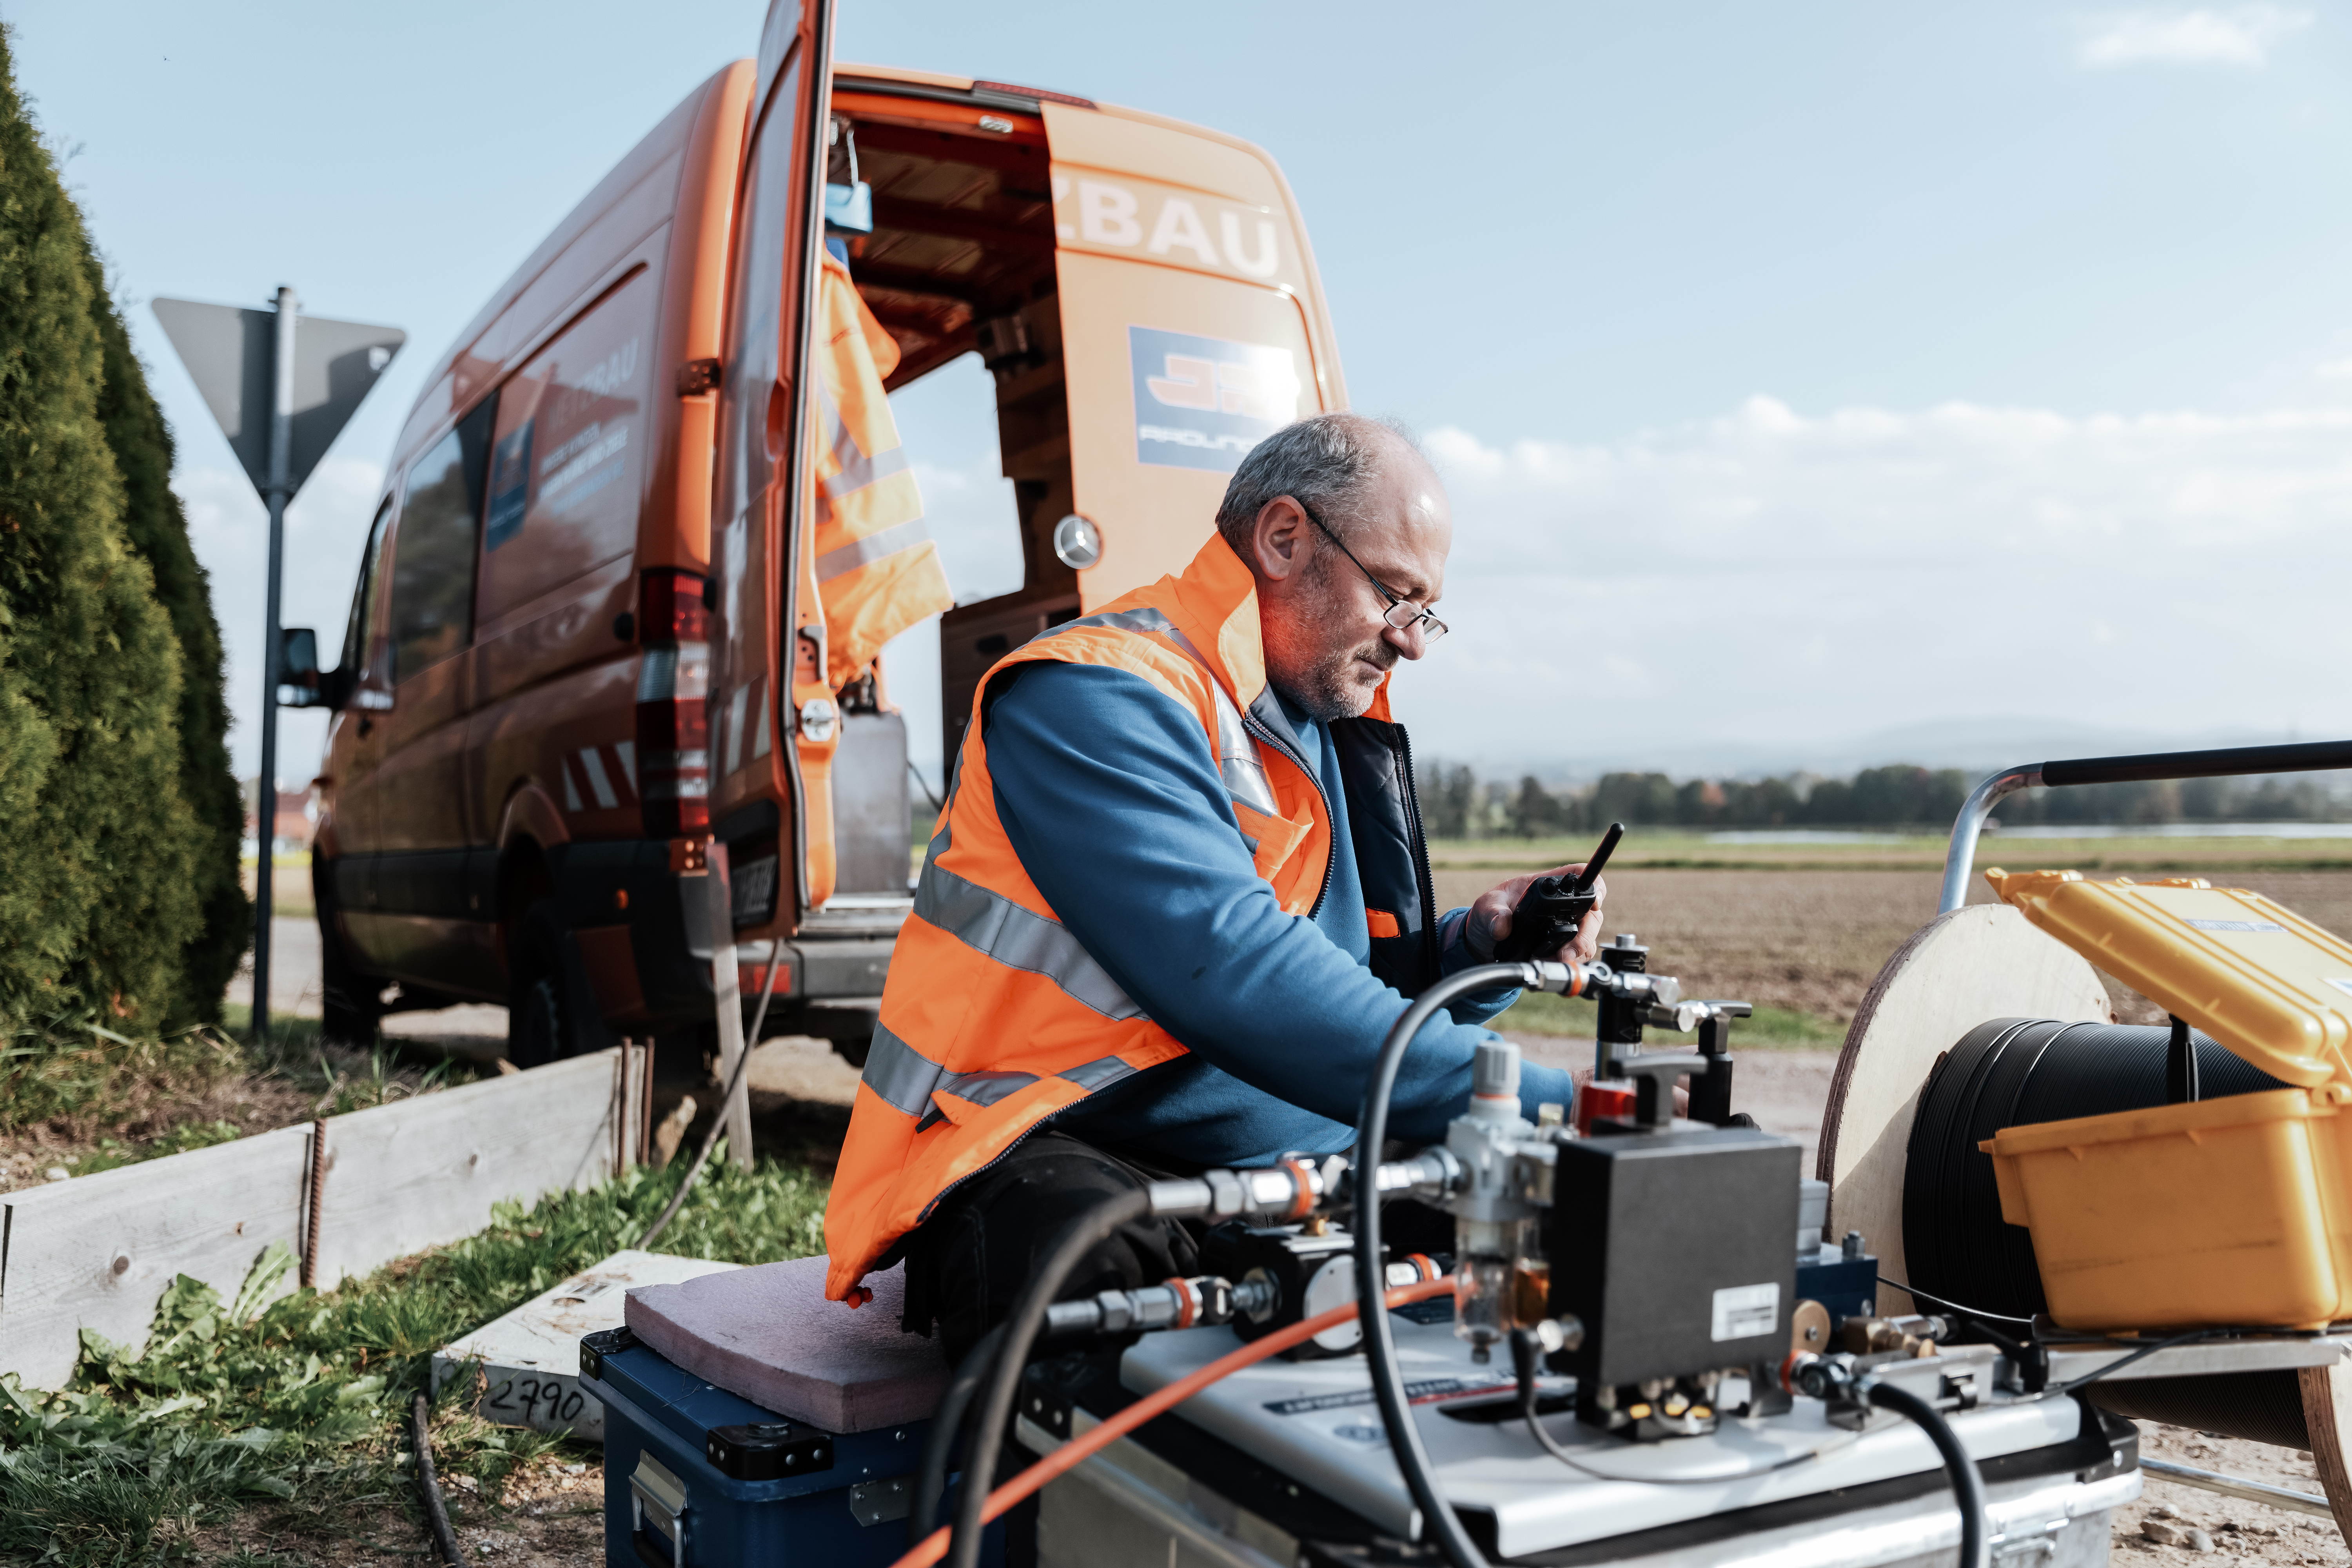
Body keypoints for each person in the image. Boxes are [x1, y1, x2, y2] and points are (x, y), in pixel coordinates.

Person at [821, 413, 1607, 1357]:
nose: (1413, 643)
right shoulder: (1093, 693)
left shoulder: (1309, 720)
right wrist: (1544, 1098)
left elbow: (1345, 974)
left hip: (1292, 1161)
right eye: (1397, 595)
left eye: (1424, 610)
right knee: (1068, 1263)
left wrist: (1477, 949)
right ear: (1283, 538)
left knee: (1555, 1234)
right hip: (1071, 1145)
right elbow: (1233, 968)